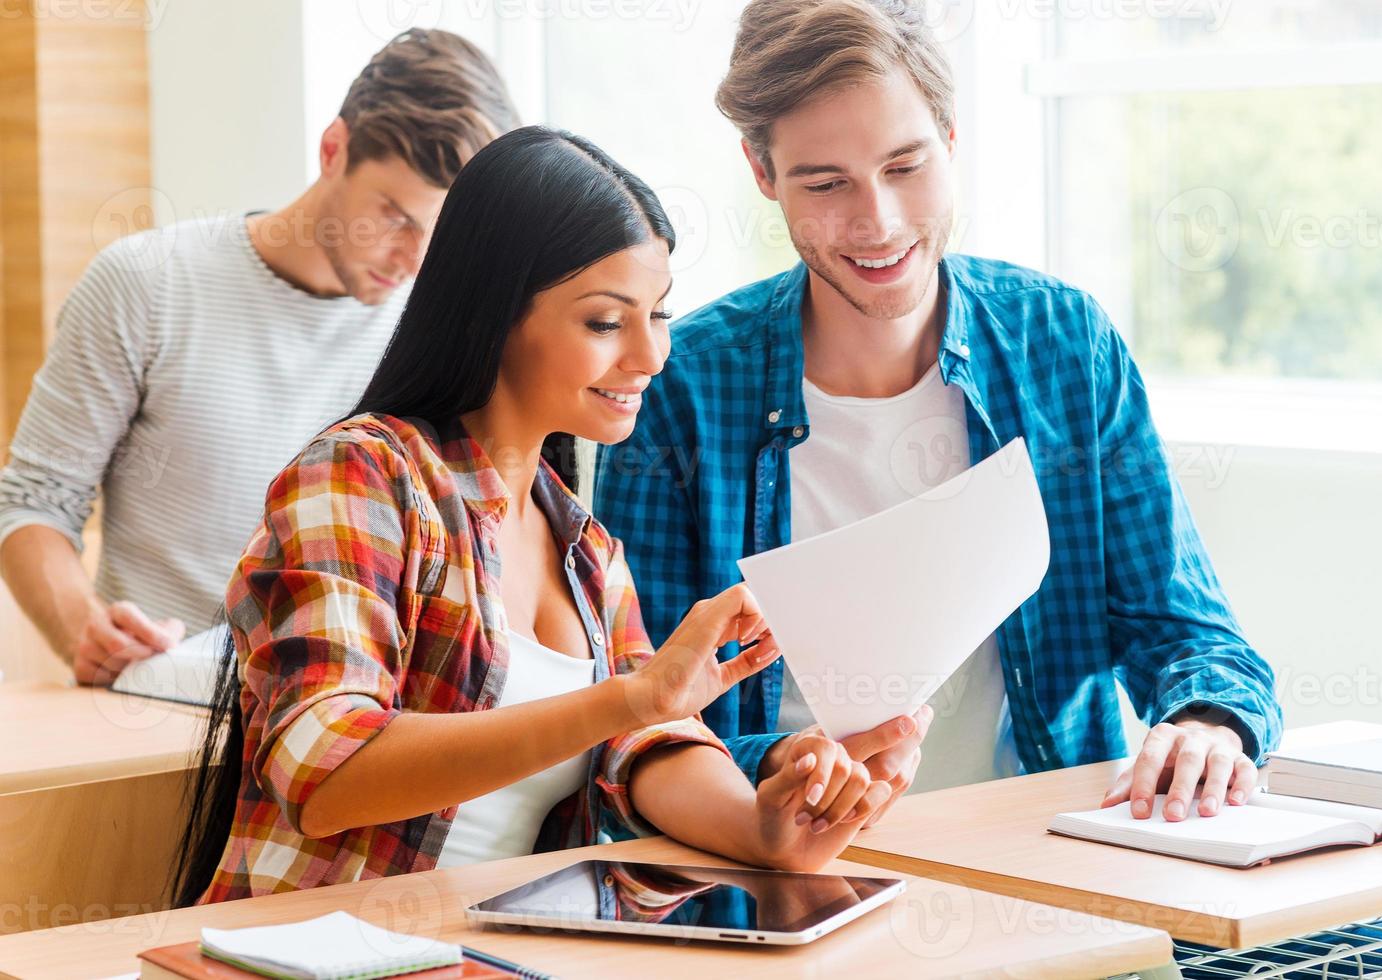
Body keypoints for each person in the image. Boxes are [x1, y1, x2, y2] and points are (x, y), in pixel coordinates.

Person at [594, 0, 1283, 823]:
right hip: (779, 880)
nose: (877, 221)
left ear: (951, 139)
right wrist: (783, 762)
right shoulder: (682, 384)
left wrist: (1206, 722)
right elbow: (639, 720)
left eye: (905, 166)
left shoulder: (1062, 342)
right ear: (760, 171)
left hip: (1042, 862)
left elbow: (1187, 631)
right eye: (825, 183)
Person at [171, 127, 887, 906]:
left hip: (501, 956)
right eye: (606, 322)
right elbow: (325, 772)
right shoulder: (362, 475)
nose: (650, 357)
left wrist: (763, 826)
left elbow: (643, 744)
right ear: (496, 312)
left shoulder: (584, 545)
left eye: (659, 315)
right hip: (320, 955)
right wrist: (629, 698)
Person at [0, 29, 519, 686]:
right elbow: (35, 502)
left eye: (438, 237)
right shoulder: (148, 282)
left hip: (353, 724)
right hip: (160, 710)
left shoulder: (438, 329)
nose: (414, 260)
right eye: (394, 216)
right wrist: (85, 629)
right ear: (333, 150)